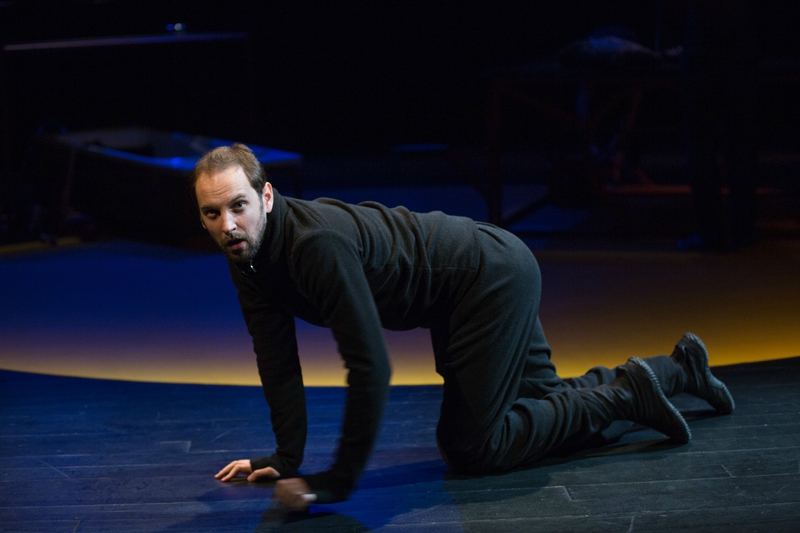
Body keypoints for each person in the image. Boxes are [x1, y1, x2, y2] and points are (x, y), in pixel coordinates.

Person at [197, 144, 734, 510]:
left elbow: (369, 365)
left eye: (238, 206)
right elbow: (275, 356)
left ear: (267, 197)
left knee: (475, 446)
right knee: (540, 408)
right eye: (212, 213)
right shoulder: (247, 255)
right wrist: (285, 459)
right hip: (470, 282)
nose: (227, 225)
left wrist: (331, 483)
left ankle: (629, 394)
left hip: (487, 277)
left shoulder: (315, 247)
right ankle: (677, 371)